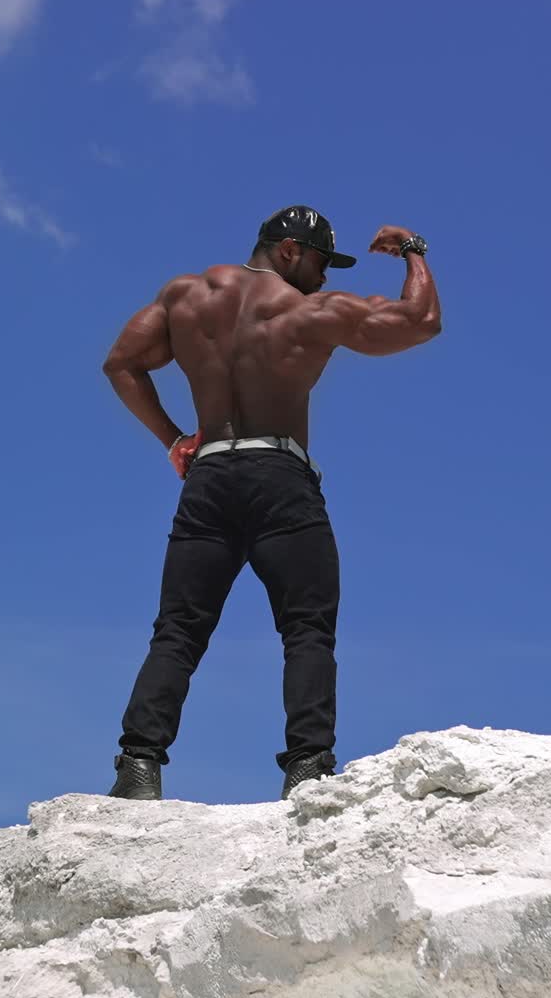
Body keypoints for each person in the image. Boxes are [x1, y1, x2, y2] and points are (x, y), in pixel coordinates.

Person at [100, 205, 441, 801]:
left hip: (208, 478)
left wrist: (175, 440)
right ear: (288, 251)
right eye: (320, 262)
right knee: (307, 629)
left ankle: (137, 767)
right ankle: (308, 769)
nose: (326, 278)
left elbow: (122, 364)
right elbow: (422, 321)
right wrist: (413, 248)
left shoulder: (185, 295)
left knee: (178, 630)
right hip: (280, 475)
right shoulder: (311, 311)